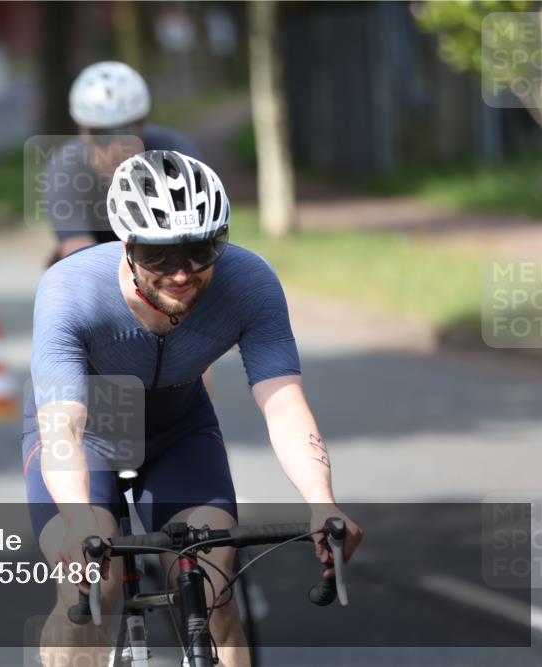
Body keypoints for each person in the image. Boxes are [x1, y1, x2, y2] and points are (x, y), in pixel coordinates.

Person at [22, 150, 363, 666]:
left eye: (199, 251)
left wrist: (322, 501)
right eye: (158, 256)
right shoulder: (72, 290)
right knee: (92, 589)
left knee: (212, 586)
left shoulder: (249, 282)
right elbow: (63, 428)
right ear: (126, 246)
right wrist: (76, 518)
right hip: (87, 435)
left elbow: (284, 404)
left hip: (179, 432)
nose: (180, 274)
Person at [43, 61, 202, 263]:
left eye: (126, 131)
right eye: (101, 134)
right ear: (83, 130)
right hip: (103, 255)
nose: (116, 147)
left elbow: (199, 240)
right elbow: (82, 258)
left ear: (143, 123)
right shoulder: (64, 169)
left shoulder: (176, 153)